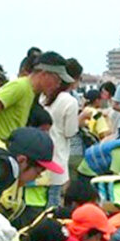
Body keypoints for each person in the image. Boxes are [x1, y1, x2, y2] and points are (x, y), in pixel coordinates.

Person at [0, 51, 71, 143]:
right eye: (57, 79)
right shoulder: (20, 86)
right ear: (44, 74)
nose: (58, 85)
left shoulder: (30, 91)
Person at [43, 58, 82, 207]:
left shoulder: (44, 96)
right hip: (58, 157)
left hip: (40, 158)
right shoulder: (70, 101)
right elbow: (70, 132)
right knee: (53, 203)